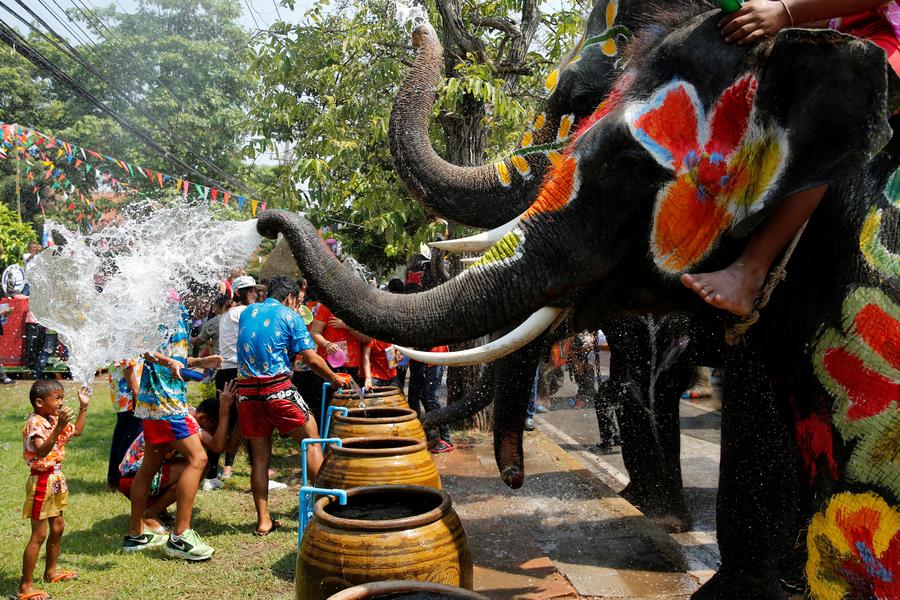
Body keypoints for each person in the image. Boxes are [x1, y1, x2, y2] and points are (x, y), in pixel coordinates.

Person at [684, 0, 900, 315]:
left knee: (844, 95)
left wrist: (785, 12)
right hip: (840, 29)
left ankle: (752, 270)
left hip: (888, 37)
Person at [236, 276, 351, 536]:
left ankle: (263, 520)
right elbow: (311, 359)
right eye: (297, 301)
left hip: (247, 395)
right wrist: (334, 377)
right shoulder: (291, 316)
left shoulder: (247, 312)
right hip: (278, 391)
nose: (298, 306)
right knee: (312, 441)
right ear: (290, 298)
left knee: (260, 459)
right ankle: (324, 511)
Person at [122, 301, 223, 560]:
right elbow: (144, 350)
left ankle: (136, 534)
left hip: (153, 405)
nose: (208, 308)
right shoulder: (162, 310)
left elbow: (176, 358)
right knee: (199, 459)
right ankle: (180, 537)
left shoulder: (183, 316)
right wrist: (168, 363)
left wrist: (201, 361)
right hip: (166, 404)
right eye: (208, 301)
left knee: (149, 467)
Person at [119, 381, 237, 539]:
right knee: (199, 465)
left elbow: (225, 445)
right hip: (131, 478)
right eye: (213, 429)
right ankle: (151, 514)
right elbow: (218, 445)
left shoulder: (183, 413)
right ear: (205, 419)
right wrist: (224, 410)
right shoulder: (186, 419)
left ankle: (153, 513)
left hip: (134, 477)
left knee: (193, 464)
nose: (213, 433)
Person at [17, 380, 91, 600]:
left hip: (56, 479)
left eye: (62, 397)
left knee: (58, 528)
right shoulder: (35, 423)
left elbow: (76, 431)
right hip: (42, 481)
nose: (61, 402)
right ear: (40, 402)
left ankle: (51, 572)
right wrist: (58, 428)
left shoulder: (53, 419)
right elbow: (41, 451)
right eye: (56, 398)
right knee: (39, 535)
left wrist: (83, 407)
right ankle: (25, 587)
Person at [209, 276, 257, 484]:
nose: (255, 294)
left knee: (226, 422)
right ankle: (256, 470)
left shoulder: (227, 314)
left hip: (225, 372)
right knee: (249, 423)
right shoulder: (243, 312)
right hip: (238, 372)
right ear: (238, 293)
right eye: (250, 290)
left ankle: (217, 472)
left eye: (255, 289)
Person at [407, 346, 454, 454]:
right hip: (416, 357)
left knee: (432, 398)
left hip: (434, 357)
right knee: (415, 399)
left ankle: (446, 439)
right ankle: (425, 434)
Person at [106, 358, 144, 491]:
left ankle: (115, 480)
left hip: (126, 394)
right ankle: (119, 480)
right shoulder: (127, 338)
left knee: (123, 436)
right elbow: (127, 363)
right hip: (128, 394)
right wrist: (136, 391)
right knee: (129, 439)